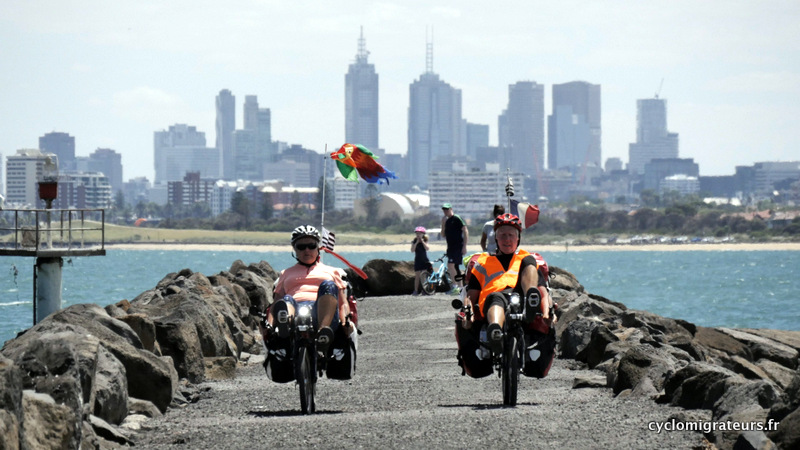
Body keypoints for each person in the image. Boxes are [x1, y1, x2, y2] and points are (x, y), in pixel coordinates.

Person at [462, 213, 554, 354]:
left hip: (521, 297)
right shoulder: (483, 262)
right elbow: (470, 295)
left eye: (511, 235)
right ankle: (495, 332)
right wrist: (468, 313)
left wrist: (547, 312)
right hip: (494, 298)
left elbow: (543, 292)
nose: (507, 239)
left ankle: (530, 300)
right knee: (496, 299)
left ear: (518, 238)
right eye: (503, 235)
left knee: (529, 260)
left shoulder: (527, 260)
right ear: (496, 238)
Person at [261, 225, 352, 355]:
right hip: (294, 309)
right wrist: (269, 325)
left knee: (328, 285)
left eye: (311, 246)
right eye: (301, 247)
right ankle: (285, 325)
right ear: (294, 249)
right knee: (286, 299)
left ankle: (323, 332)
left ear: (318, 247)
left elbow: (343, 303)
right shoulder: (285, 273)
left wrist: (345, 322)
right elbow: (276, 303)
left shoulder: (332, 272)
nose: (307, 250)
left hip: (322, 310)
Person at [440, 203, 468, 295]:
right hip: (450, 247)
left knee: (450, 265)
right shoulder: (447, 221)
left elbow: (465, 230)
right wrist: (443, 223)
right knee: (456, 267)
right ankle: (460, 287)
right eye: (444, 210)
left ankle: (455, 286)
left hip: (457, 246)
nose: (445, 211)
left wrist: (464, 246)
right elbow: (443, 234)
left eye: (447, 209)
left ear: (451, 209)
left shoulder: (456, 218)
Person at [411, 226, 430, 296]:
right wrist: (416, 243)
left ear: (423, 234)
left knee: (424, 276)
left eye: (420, 233)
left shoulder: (425, 240)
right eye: (417, 233)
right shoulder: (414, 241)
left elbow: (427, 248)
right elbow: (412, 250)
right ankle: (416, 290)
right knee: (417, 276)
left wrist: (422, 242)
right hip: (417, 260)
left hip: (424, 260)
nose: (418, 235)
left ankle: (424, 290)